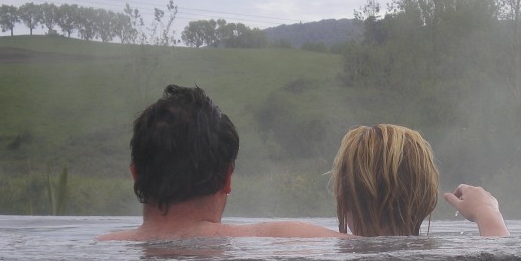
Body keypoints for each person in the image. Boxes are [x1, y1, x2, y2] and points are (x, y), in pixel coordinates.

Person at [100, 85, 341, 240]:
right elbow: (374, 246)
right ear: (227, 178)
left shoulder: (103, 247)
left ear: (135, 175)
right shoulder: (285, 238)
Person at [330, 124, 509, 237]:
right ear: (428, 198)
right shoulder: (435, 257)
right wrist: (487, 212)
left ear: (343, 198)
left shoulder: (325, 248)